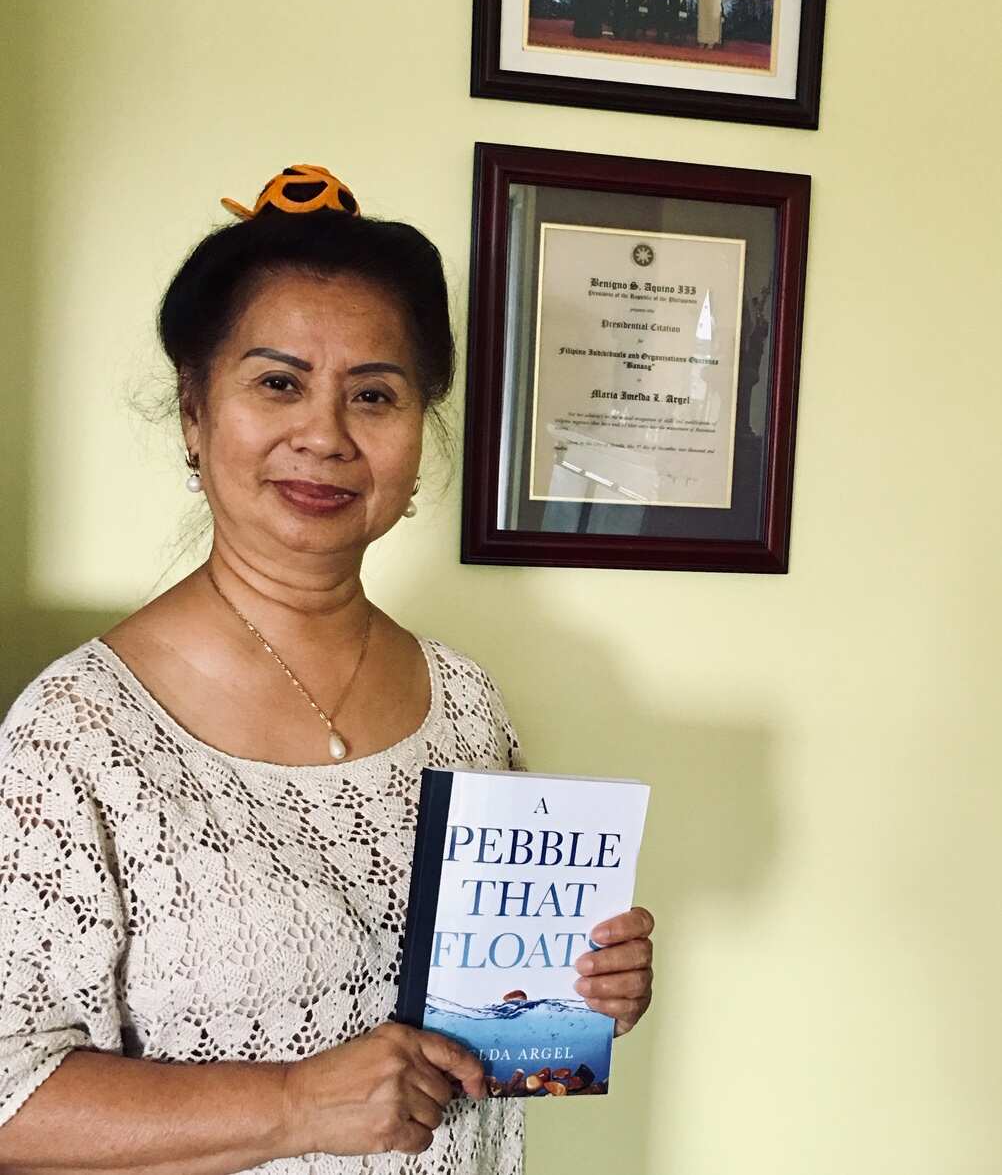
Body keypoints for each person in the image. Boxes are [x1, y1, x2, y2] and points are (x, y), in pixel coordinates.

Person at [0, 164, 655, 1174]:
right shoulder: (77, 734)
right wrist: (298, 1102)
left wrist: (584, 990)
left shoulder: (467, 704)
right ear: (192, 410)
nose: (325, 435)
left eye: (375, 394)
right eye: (277, 382)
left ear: (419, 426)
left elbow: (491, 1031)